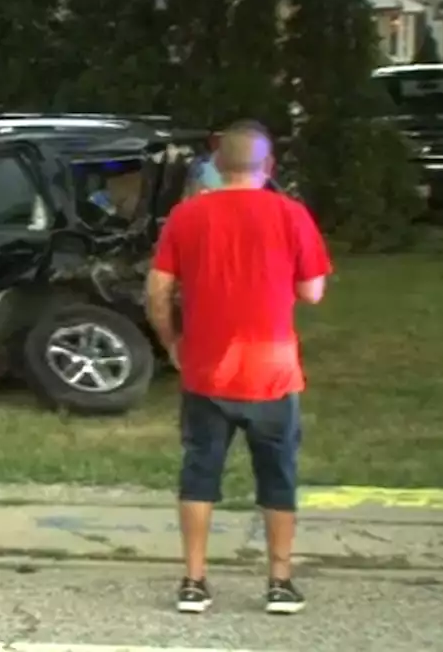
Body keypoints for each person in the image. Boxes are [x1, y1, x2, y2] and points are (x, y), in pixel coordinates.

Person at [144, 120, 332, 616]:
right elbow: (312, 292)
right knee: (278, 477)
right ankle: (280, 582)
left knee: (199, 474)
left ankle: (194, 581)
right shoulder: (292, 215)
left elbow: (157, 291)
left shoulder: (186, 217)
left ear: (215, 165)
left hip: (205, 371)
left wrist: (171, 345)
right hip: (273, 373)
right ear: (268, 167)